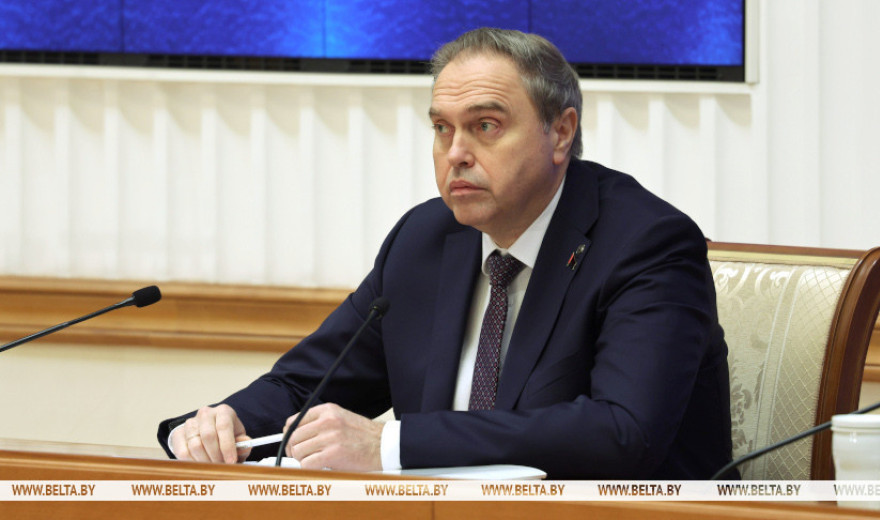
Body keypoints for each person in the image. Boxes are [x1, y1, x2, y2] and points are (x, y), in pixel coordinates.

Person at [157, 27, 735, 479]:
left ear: (560, 133)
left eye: (486, 126)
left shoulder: (646, 244)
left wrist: (391, 445)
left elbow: (623, 433)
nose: (455, 152)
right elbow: (305, 385)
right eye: (441, 128)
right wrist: (223, 424)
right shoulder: (425, 240)